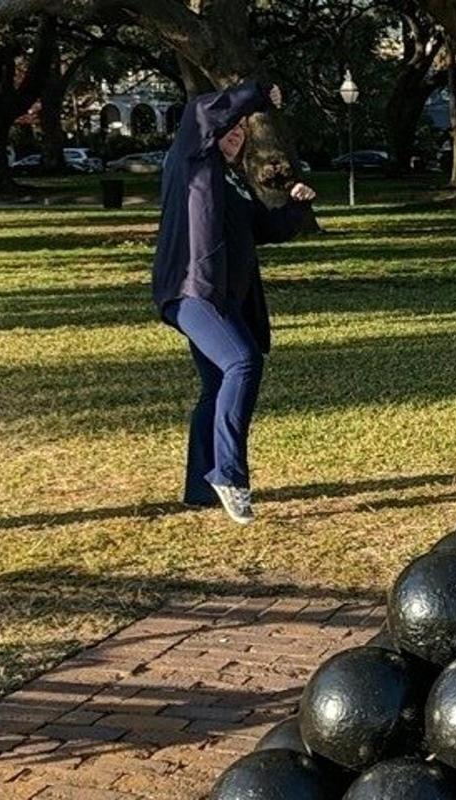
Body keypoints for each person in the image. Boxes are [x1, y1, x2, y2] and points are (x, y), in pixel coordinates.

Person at [152, 79, 316, 525]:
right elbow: (206, 115)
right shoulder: (192, 160)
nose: (235, 135)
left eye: (241, 132)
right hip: (193, 290)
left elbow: (264, 230)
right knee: (242, 362)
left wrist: (296, 206)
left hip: (221, 298)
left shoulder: (229, 183)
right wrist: (260, 93)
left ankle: (199, 489)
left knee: (216, 385)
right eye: (229, 129)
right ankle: (227, 474)